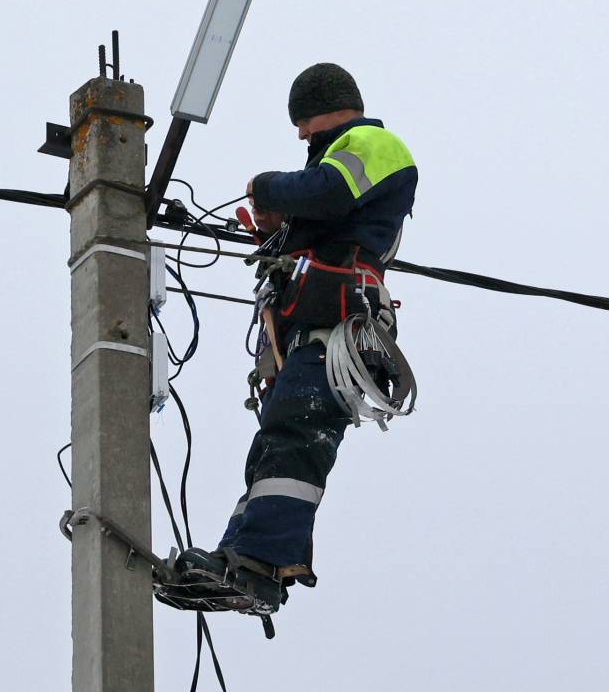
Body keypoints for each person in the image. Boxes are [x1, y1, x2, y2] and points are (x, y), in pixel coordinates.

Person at [164, 63, 418, 614]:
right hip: (310, 331)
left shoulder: (375, 144)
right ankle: (247, 562)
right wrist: (276, 230)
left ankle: (256, 562)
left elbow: (328, 193)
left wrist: (266, 187)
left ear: (328, 107)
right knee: (278, 445)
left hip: (338, 331)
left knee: (296, 433)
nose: (302, 134)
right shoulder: (336, 166)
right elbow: (323, 213)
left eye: (303, 121)